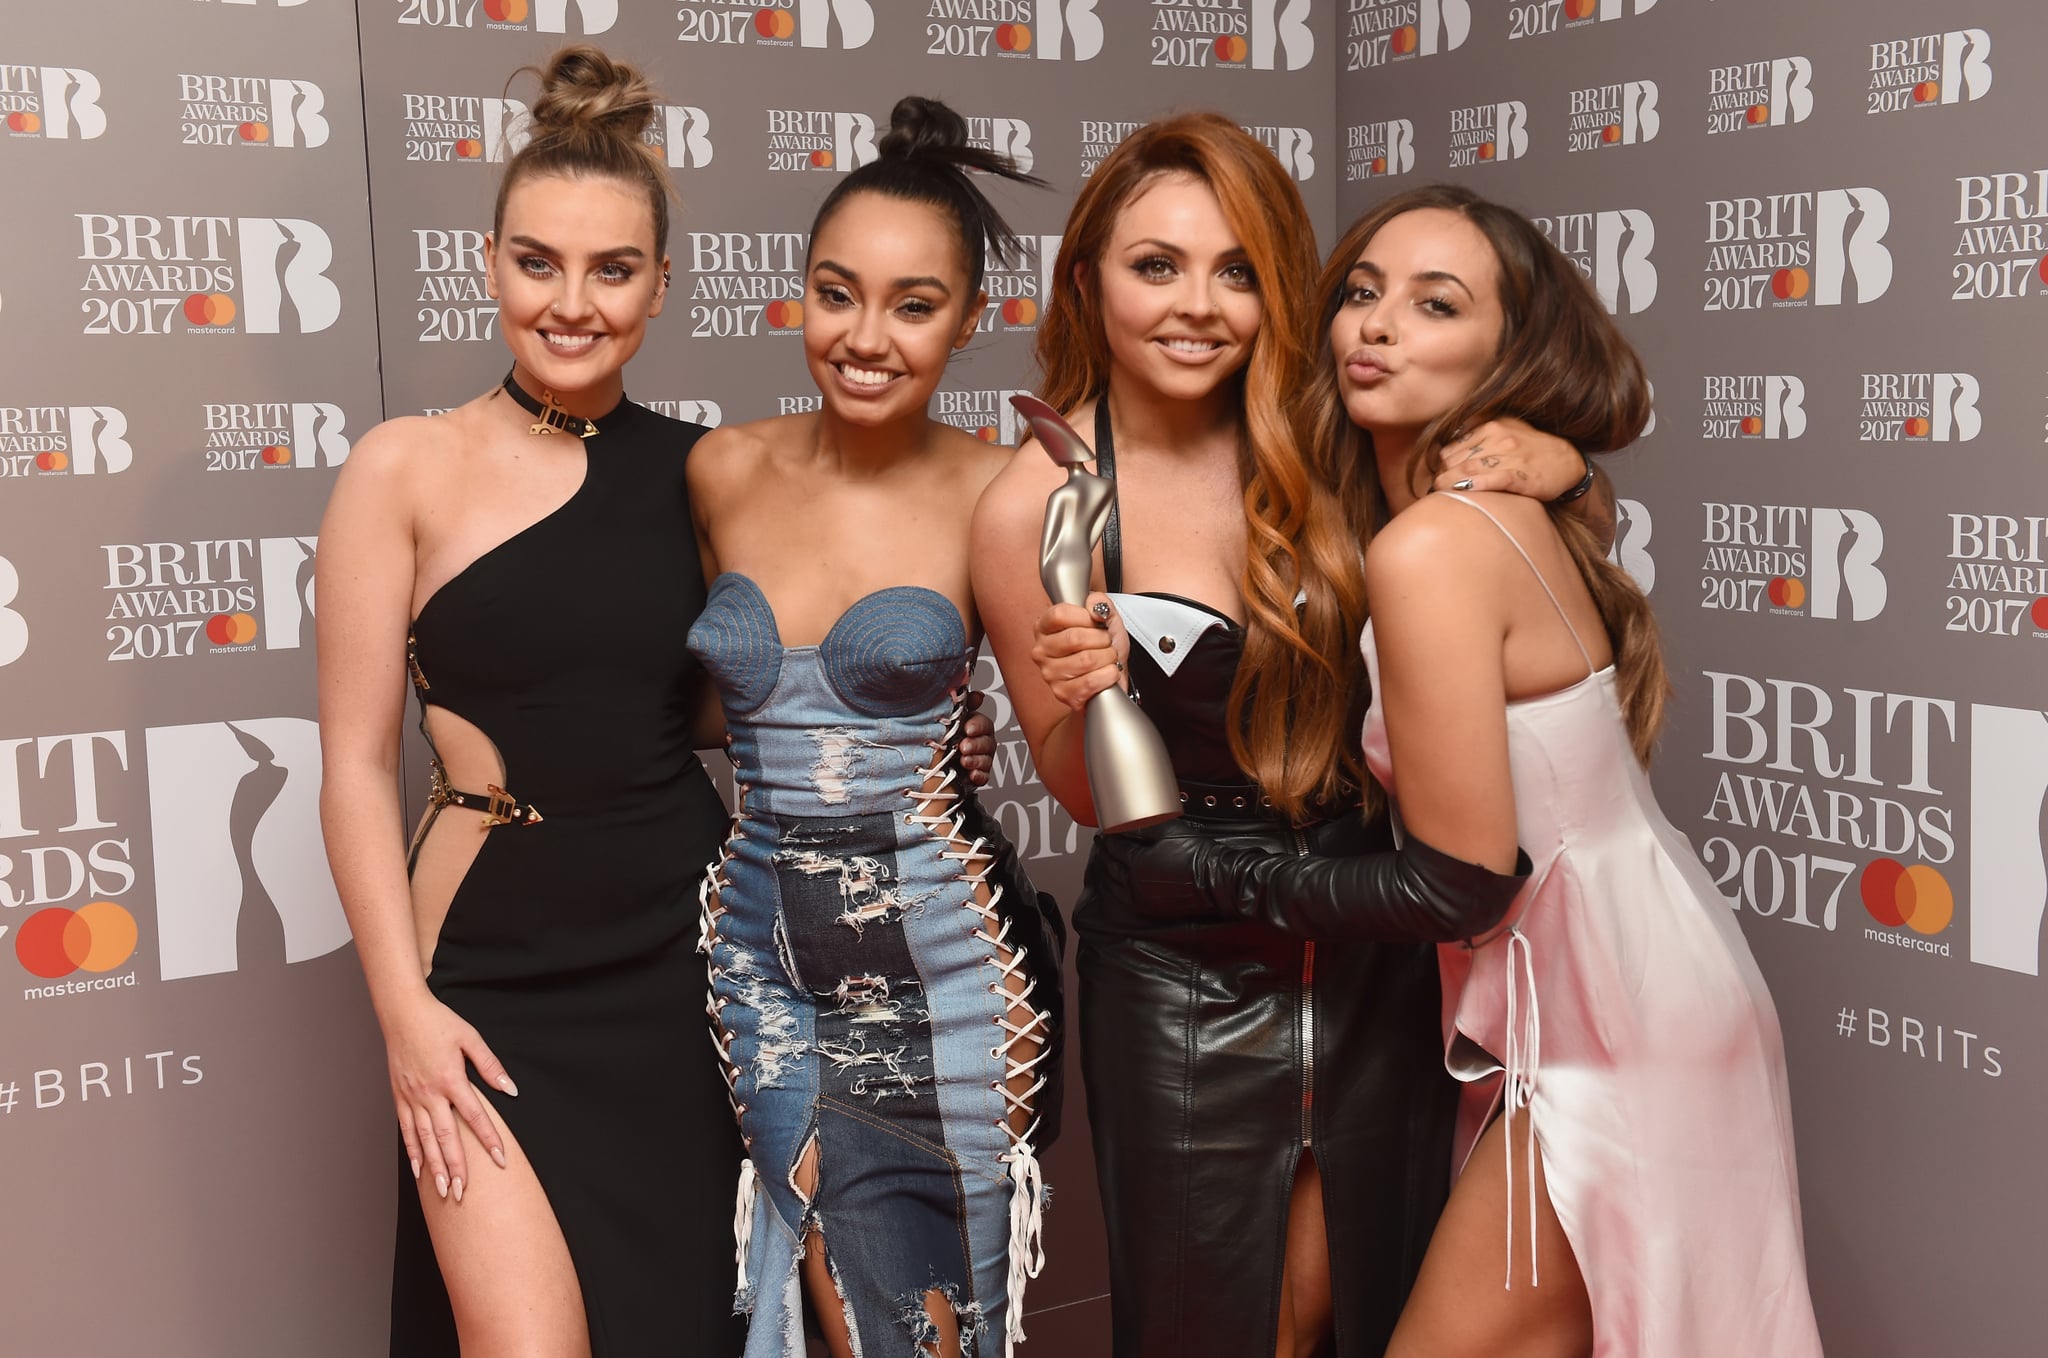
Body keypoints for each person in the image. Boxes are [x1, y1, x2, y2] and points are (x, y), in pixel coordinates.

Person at [315, 49, 1001, 1357]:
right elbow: (351, 765)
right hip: (489, 970)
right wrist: (402, 1010)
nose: (571, 303)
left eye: (612, 269)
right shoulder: (403, 468)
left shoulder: (710, 470)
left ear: (662, 283)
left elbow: (710, 700)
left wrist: (920, 721)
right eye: (538, 262)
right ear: (489, 259)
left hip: (687, 961)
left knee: (693, 1322)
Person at [1130, 184, 1825, 1357]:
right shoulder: (1483, 512)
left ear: (1510, 351)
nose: (1375, 324)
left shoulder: (1434, 545)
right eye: (1360, 292)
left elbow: (1457, 883)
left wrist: (1202, 869)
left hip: (1611, 1032)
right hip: (1631, 990)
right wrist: (1567, 463)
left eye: (1433, 304)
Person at [970, 118, 1600, 1358]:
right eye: (1156, 266)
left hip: (1375, 926)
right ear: (1088, 276)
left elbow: (1505, 550)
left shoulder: (1336, 443)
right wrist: (1092, 696)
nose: (1196, 306)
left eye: (1238, 270)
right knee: (1226, 1322)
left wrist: (1558, 457)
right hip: (1179, 960)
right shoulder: (1037, 503)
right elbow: (1080, 798)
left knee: (1358, 1299)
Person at [687, 96, 1065, 1358]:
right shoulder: (716, 473)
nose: (864, 336)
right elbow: (692, 699)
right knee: (823, 1311)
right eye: (836, 293)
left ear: (969, 320)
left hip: (946, 975)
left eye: (912, 304)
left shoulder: (997, 493)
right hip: (766, 963)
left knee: (933, 1332)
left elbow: (1063, 723)